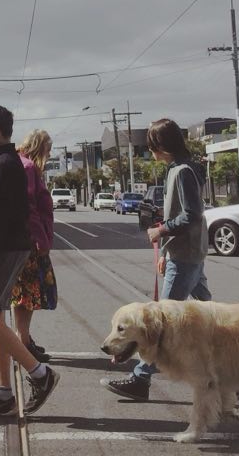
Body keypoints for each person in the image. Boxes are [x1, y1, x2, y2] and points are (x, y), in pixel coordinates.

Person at [101, 118, 210, 401]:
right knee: (213, 320)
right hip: (189, 253)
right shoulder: (182, 168)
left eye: (152, 147)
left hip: (185, 255)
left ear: (163, 146)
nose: (151, 153)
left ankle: (139, 379)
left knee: (160, 323)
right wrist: (163, 250)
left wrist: (160, 231)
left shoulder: (183, 171)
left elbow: (192, 215)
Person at [0, 104, 60, 417]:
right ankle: (3, 392)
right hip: (14, 247)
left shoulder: (5, 165)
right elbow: (0, 213)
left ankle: (40, 374)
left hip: (6, 250)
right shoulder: (10, 163)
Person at [11, 129, 56, 363]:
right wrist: (41, 240)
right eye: (48, 149)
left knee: (25, 295)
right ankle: (23, 342)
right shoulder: (28, 168)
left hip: (27, 241)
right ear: (39, 147)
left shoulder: (24, 165)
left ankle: (24, 339)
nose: (49, 155)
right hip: (31, 243)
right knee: (27, 295)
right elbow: (29, 207)